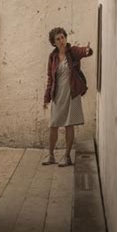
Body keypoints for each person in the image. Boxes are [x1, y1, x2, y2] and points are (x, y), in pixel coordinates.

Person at [42, 27, 93, 167]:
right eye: (58, 39)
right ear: (54, 42)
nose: (61, 40)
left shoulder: (73, 52)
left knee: (69, 125)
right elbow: (50, 78)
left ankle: (66, 156)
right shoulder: (52, 57)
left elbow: (83, 52)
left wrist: (87, 51)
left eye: (63, 37)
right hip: (58, 95)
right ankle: (51, 155)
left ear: (66, 38)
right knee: (53, 125)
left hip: (72, 94)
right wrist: (47, 97)